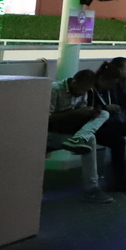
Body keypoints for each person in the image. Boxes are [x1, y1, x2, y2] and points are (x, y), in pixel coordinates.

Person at [48, 69, 114, 203]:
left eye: (85, 91)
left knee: (104, 114)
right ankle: (92, 188)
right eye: (81, 90)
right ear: (74, 82)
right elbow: (47, 119)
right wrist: (77, 113)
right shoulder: (54, 90)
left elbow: (80, 112)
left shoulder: (85, 91)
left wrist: (89, 114)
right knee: (91, 139)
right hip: (51, 132)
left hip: (70, 130)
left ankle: (80, 137)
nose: (82, 94)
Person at [87, 65, 126, 193]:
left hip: (109, 122)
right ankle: (120, 180)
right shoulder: (90, 91)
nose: (111, 86)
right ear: (102, 79)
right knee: (118, 141)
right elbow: (89, 110)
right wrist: (106, 108)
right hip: (95, 125)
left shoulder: (108, 90)